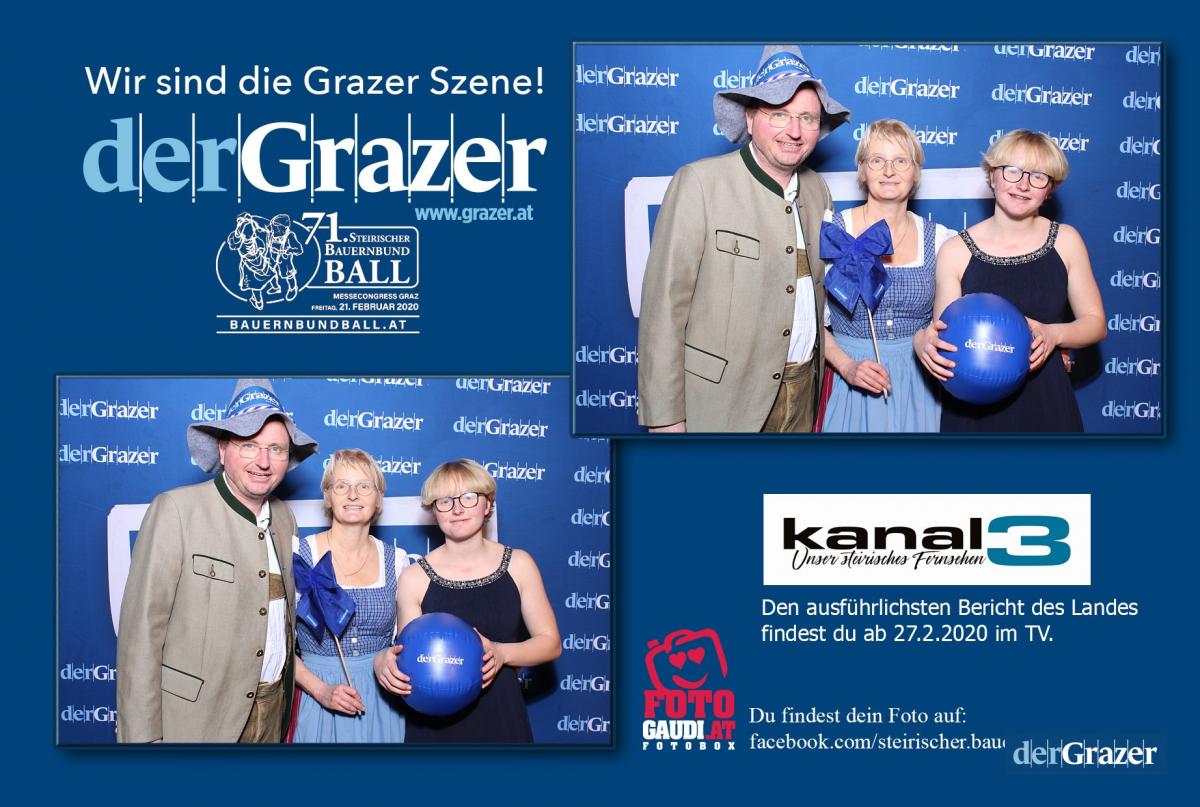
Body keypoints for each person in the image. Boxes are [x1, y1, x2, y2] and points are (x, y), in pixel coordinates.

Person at [638, 45, 850, 433]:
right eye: (779, 114)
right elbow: (664, 310)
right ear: (750, 119)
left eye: (807, 117)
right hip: (724, 403)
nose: (794, 130)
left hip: (803, 394)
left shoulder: (818, 190)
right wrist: (665, 419)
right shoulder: (700, 183)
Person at [117, 379, 318, 742]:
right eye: (249, 445)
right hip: (199, 721)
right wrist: (143, 740)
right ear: (223, 450)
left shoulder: (285, 519)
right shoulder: (176, 511)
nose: (263, 462)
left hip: (273, 713)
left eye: (276, 449)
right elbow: (141, 635)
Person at [914, 129, 1106, 432]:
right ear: (992, 175)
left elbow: (1095, 323)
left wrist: (1054, 334)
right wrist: (923, 340)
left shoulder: (1066, 241)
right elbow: (945, 336)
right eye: (1012, 171)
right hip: (974, 408)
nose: (1023, 185)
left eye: (1038, 176)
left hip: (1047, 400)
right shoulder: (955, 250)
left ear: (1050, 189)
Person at [374, 459, 561, 742]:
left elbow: (550, 643)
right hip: (434, 726)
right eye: (445, 501)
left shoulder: (519, 564)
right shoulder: (414, 576)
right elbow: (409, 657)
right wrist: (384, 661)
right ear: (434, 511)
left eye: (469, 497)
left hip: (502, 718)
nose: (457, 509)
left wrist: (502, 653)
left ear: (488, 505)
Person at [822, 119, 954, 432]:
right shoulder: (833, 232)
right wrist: (847, 366)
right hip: (850, 377)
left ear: (916, 172)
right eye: (877, 161)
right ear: (862, 170)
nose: (889, 171)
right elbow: (805, 318)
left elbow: (949, 322)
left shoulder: (941, 239)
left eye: (901, 161)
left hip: (919, 383)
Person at [291, 449, 408, 743]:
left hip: (382, 698)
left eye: (364, 486)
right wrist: (320, 690)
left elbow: (406, 641)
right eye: (341, 485)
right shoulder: (298, 555)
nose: (352, 495)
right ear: (327, 497)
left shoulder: (397, 560)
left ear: (378, 498)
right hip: (317, 695)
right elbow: (273, 646)